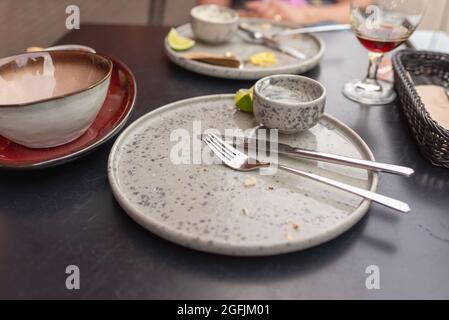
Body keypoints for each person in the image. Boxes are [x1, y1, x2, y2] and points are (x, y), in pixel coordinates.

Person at [196, 0, 351, 25]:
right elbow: (208, 12)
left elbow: (357, 11)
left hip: (322, 46)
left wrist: (304, 15)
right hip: (246, 40)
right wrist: (244, 16)